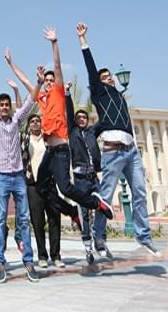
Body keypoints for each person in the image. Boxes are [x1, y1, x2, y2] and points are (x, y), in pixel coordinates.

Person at [77, 22, 160, 258]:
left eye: (110, 76)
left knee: (141, 192)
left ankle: (143, 236)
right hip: (113, 152)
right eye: (104, 77)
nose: (108, 79)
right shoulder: (100, 94)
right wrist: (84, 41)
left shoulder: (121, 99)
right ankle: (99, 236)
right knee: (105, 197)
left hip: (131, 151)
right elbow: (91, 70)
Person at [34, 28, 114, 232]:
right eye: (47, 82)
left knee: (66, 188)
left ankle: (97, 204)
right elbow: (29, 84)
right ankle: (71, 212)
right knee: (41, 187)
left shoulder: (59, 94)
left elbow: (58, 67)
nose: (49, 83)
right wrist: (10, 63)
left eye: (51, 81)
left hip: (60, 150)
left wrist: (54, 43)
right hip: (49, 153)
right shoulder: (42, 99)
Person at [0, 57, 42, 284]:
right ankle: (0, 261)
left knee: (24, 219)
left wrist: (39, 83)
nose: (4, 107)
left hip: (19, 176)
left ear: (10, 107)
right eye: (1, 105)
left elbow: (31, 102)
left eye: (6, 105)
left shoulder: (16, 121)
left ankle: (28, 261)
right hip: (2, 177)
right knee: (1, 219)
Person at [65, 82, 101, 265]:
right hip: (80, 180)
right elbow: (69, 113)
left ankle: (100, 238)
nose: (80, 119)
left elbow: (103, 120)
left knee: (103, 205)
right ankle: (88, 247)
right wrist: (67, 93)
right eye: (78, 117)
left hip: (93, 177)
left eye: (83, 117)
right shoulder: (72, 132)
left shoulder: (91, 132)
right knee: (84, 213)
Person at [21, 114, 62, 269]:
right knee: (37, 221)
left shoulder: (48, 139)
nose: (35, 123)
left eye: (38, 121)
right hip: (33, 185)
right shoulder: (25, 141)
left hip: (50, 184)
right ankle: (42, 255)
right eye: (32, 121)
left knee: (54, 219)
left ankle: (56, 255)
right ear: (29, 125)